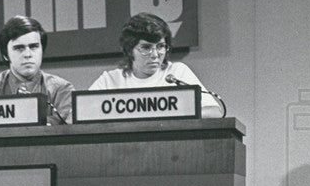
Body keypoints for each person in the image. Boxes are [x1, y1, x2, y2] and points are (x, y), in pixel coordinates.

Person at [89, 12, 223, 117]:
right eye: (146, 48)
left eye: (160, 46)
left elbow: (214, 112)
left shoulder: (176, 73)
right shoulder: (110, 80)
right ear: (130, 50)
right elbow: (79, 114)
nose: (155, 54)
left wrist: (173, 115)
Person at [0, 15, 73, 124]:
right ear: (5, 54)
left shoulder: (62, 90)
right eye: (19, 48)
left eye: (34, 47)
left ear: (42, 50)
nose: (28, 54)